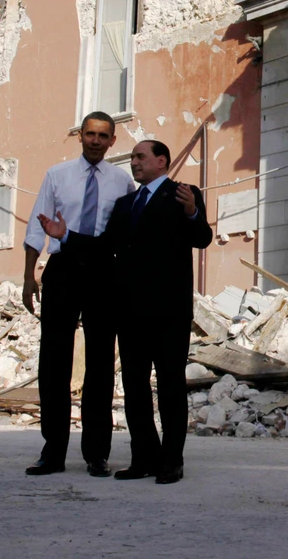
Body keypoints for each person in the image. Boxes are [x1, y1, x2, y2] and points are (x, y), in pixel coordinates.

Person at [42, 139, 210, 484]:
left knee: (169, 386)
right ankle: (143, 457)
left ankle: (171, 461)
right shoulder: (126, 204)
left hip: (168, 311)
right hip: (130, 311)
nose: (134, 162)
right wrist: (67, 236)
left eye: (140, 156)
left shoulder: (183, 193)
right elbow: (105, 248)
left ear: (161, 161)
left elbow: (202, 238)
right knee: (134, 388)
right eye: (132, 157)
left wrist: (193, 212)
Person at [22, 111, 135, 477]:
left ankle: (97, 453)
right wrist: (28, 277)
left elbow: (125, 238)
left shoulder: (123, 182)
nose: (96, 141)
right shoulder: (58, 175)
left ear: (113, 140)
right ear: (80, 136)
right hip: (63, 270)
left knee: (101, 364)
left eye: (104, 136)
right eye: (90, 134)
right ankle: (52, 451)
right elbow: (37, 227)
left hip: (103, 273)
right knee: (54, 361)